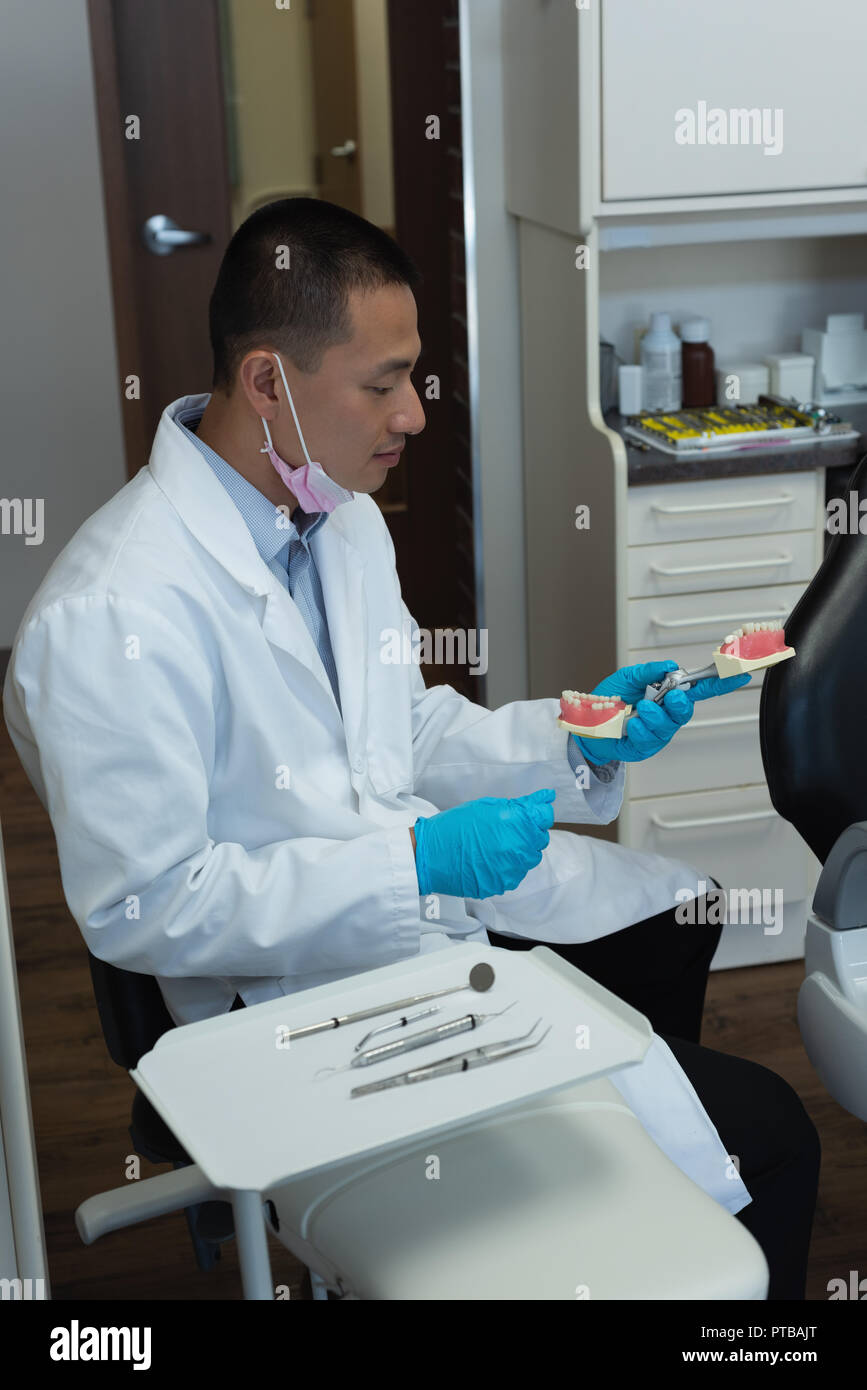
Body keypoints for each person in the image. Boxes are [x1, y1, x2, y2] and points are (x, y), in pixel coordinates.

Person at [2, 198, 819, 1299]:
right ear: (266, 384)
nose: (416, 415)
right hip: (282, 1002)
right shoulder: (110, 612)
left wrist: (579, 733)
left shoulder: (334, 519)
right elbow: (146, 902)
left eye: (412, 375)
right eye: (382, 382)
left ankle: (612, 1206)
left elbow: (404, 732)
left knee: (669, 925)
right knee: (764, 1138)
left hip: (396, 931)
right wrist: (415, 867)